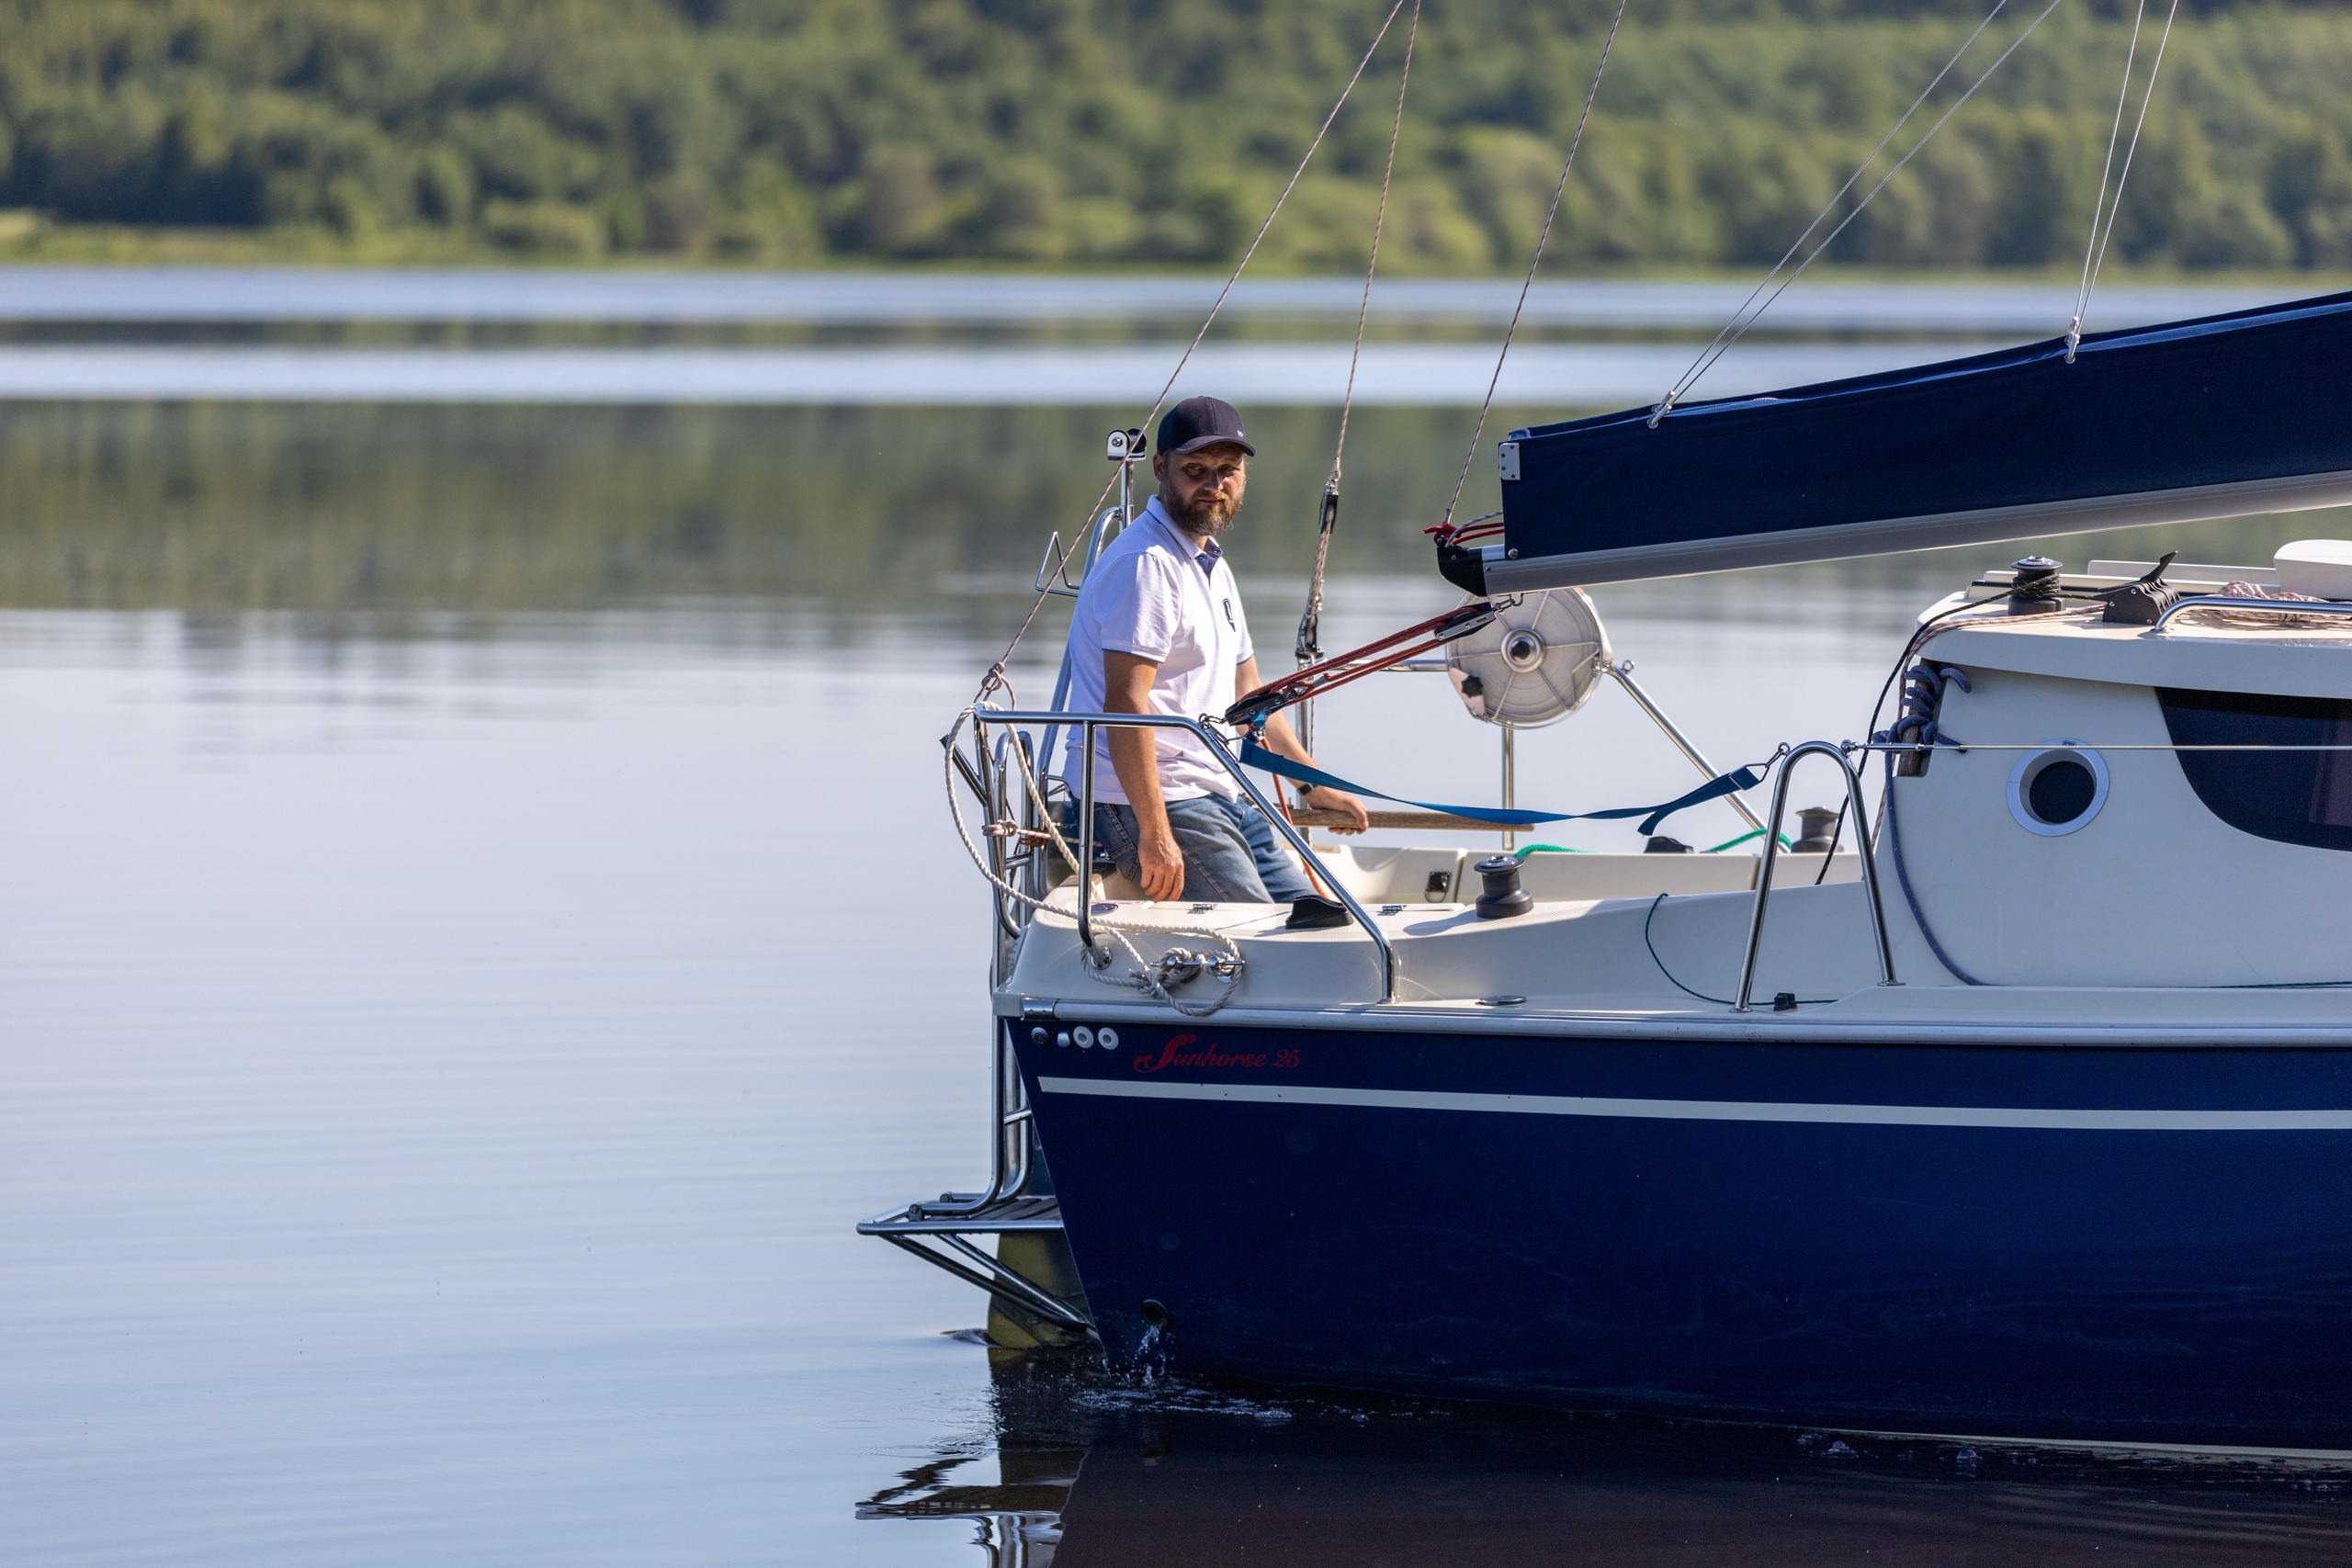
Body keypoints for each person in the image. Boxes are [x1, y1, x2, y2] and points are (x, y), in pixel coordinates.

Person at [1059, 395, 1370, 904]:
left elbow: (1249, 697)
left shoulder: (1210, 563)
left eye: (1228, 470)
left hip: (1218, 790)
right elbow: (1126, 705)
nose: (1214, 484)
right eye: (1196, 469)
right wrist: (1155, 834)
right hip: (1146, 801)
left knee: (1321, 919)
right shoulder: (1148, 564)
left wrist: (1310, 784)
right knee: (1271, 938)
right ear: (1161, 467)